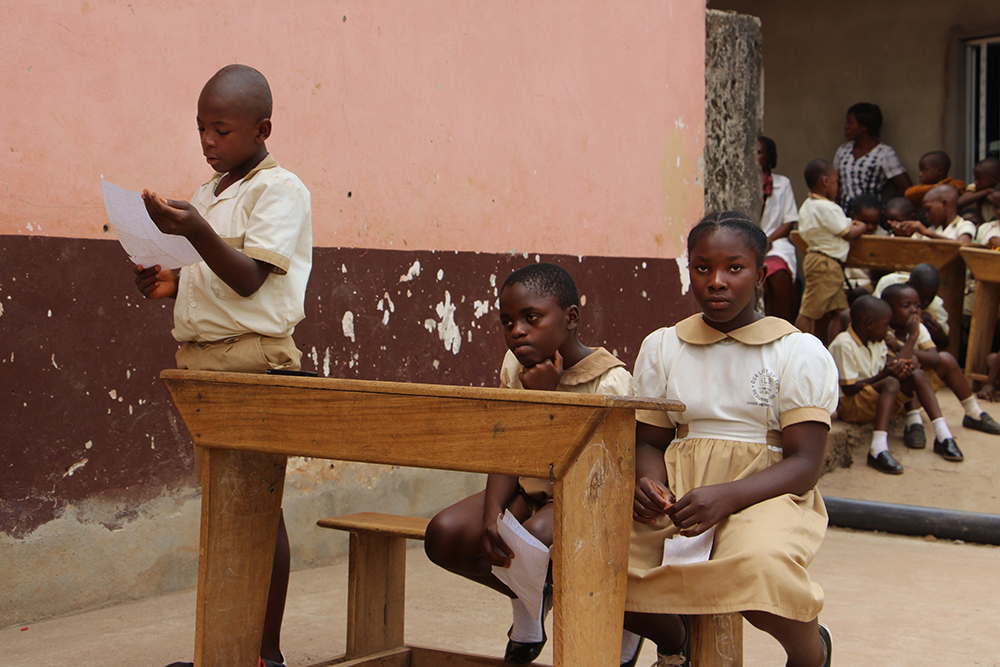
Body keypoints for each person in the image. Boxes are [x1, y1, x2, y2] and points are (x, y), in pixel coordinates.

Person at [133, 64, 312, 667]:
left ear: (262, 129)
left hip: (256, 362)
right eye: (201, 129)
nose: (208, 141)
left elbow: (249, 278)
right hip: (206, 363)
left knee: (260, 506)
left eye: (222, 129)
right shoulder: (209, 193)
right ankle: (227, 654)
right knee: (229, 508)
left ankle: (266, 656)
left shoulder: (279, 190)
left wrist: (197, 233)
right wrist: (166, 279)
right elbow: (210, 276)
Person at [625, 212, 834, 667]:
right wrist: (650, 483)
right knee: (599, 553)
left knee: (758, 563)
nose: (716, 281)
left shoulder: (795, 351)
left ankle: (810, 651)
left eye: (733, 268)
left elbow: (805, 464)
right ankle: (675, 643)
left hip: (766, 490)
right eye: (702, 268)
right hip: (681, 491)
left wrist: (727, 496)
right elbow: (650, 442)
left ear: (759, 275)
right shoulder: (664, 346)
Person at [423, 263, 631, 665]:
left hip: (585, 496)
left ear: (570, 318)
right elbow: (509, 447)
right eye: (507, 321)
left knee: (528, 540)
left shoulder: (609, 381)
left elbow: (594, 475)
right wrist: (492, 514)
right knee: (445, 534)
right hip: (530, 489)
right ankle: (531, 598)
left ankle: (616, 618)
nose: (516, 330)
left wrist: (548, 399)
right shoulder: (514, 367)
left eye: (531, 318)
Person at [829, 296, 941, 474]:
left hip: (869, 396)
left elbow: (893, 365)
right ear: (870, 324)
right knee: (890, 383)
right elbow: (849, 388)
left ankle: (943, 435)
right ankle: (878, 448)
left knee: (917, 374)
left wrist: (897, 368)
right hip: (849, 405)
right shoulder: (844, 344)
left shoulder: (877, 342)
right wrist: (886, 373)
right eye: (886, 325)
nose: (890, 329)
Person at [794, 159, 866, 340]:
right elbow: (847, 233)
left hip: (826, 263)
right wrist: (862, 227)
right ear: (826, 181)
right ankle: (799, 348)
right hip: (825, 264)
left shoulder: (808, 206)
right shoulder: (827, 207)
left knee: (841, 312)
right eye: (836, 182)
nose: (838, 186)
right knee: (808, 311)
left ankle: (833, 351)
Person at [833, 102, 912, 210]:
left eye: (850, 123)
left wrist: (885, 208)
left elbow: (906, 187)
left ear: (865, 126)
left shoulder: (884, 153)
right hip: (844, 216)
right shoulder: (843, 151)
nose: (846, 127)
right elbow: (834, 183)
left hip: (870, 217)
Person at [757, 136, 800, 322]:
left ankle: (784, 324)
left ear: (769, 156)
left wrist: (769, 240)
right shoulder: (740, 184)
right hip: (750, 242)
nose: (754, 157)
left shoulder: (783, 184)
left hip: (775, 242)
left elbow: (789, 221)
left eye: (759, 152)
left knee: (779, 273)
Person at [873, 264, 951, 350]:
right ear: (908, 284)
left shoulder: (935, 306)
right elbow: (874, 311)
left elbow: (943, 344)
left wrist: (939, 334)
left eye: (930, 298)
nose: (925, 303)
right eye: (922, 298)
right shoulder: (889, 283)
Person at [892, 184, 975, 242]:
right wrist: (904, 235)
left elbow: (963, 245)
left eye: (928, 210)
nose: (926, 215)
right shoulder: (932, 229)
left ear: (944, 204)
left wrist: (927, 233)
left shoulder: (964, 225)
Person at [843, 193, 885, 298]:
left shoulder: (883, 236)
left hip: (868, 284)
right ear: (853, 216)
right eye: (865, 222)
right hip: (844, 282)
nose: (869, 227)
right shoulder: (844, 231)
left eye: (874, 223)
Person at [958, 157, 1000, 223]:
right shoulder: (975, 187)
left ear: (996, 179)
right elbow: (959, 202)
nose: (976, 182)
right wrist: (987, 191)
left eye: (979, 179)